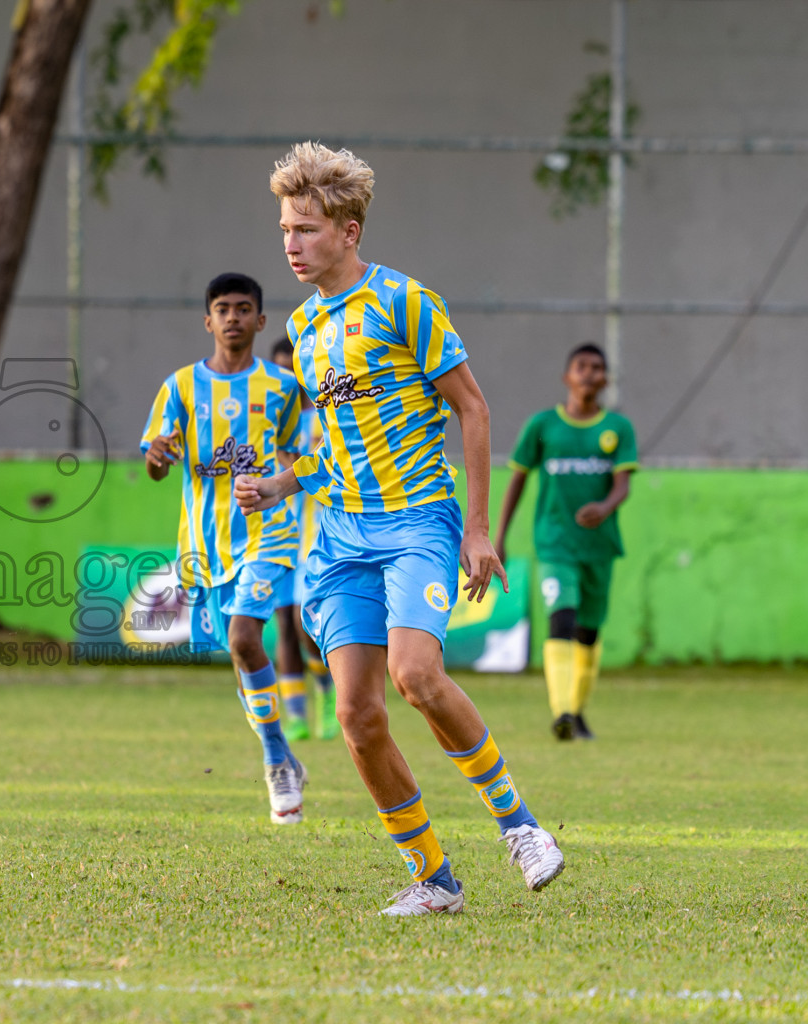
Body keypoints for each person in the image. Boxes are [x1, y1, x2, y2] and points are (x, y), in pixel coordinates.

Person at [236, 142, 564, 916]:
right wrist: (285, 480)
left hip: (417, 522)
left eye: (307, 229)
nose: (291, 244)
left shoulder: (404, 302)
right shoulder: (308, 327)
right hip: (340, 539)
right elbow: (332, 442)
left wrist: (477, 530)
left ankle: (518, 825)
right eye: (285, 228)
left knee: (415, 674)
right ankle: (433, 878)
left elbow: (474, 408)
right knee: (355, 713)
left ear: (349, 232)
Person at [141, 273, 308, 824]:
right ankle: (282, 749)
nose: (232, 317)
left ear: (261, 321)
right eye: (222, 309)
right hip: (205, 545)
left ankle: (273, 761)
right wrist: (158, 457)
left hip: (269, 534)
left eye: (243, 309)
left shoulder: (284, 389)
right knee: (239, 657)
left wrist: (280, 483)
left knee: (244, 636)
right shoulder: (180, 387)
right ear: (208, 320)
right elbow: (156, 463)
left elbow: (295, 457)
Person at [496, 343, 637, 741]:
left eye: (597, 368)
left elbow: (623, 486)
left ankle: (577, 710)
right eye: (581, 366)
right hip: (555, 544)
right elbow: (518, 480)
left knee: (588, 631)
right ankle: (561, 712)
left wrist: (605, 507)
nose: (589, 373)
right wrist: (499, 536)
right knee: (563, 618)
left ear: (605, 379)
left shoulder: (617, 429)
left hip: (599, 546)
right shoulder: (543, 426)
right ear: (567, 376)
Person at [267, 337, 337, 742]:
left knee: (305, 624)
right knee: (284, 626)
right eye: (279, 370)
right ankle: (295, 716)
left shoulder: (325, 419)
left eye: (292, 369)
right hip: (277, 536)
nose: (286, 378)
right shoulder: (265, 421)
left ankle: (328, 696)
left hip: (315, 534)